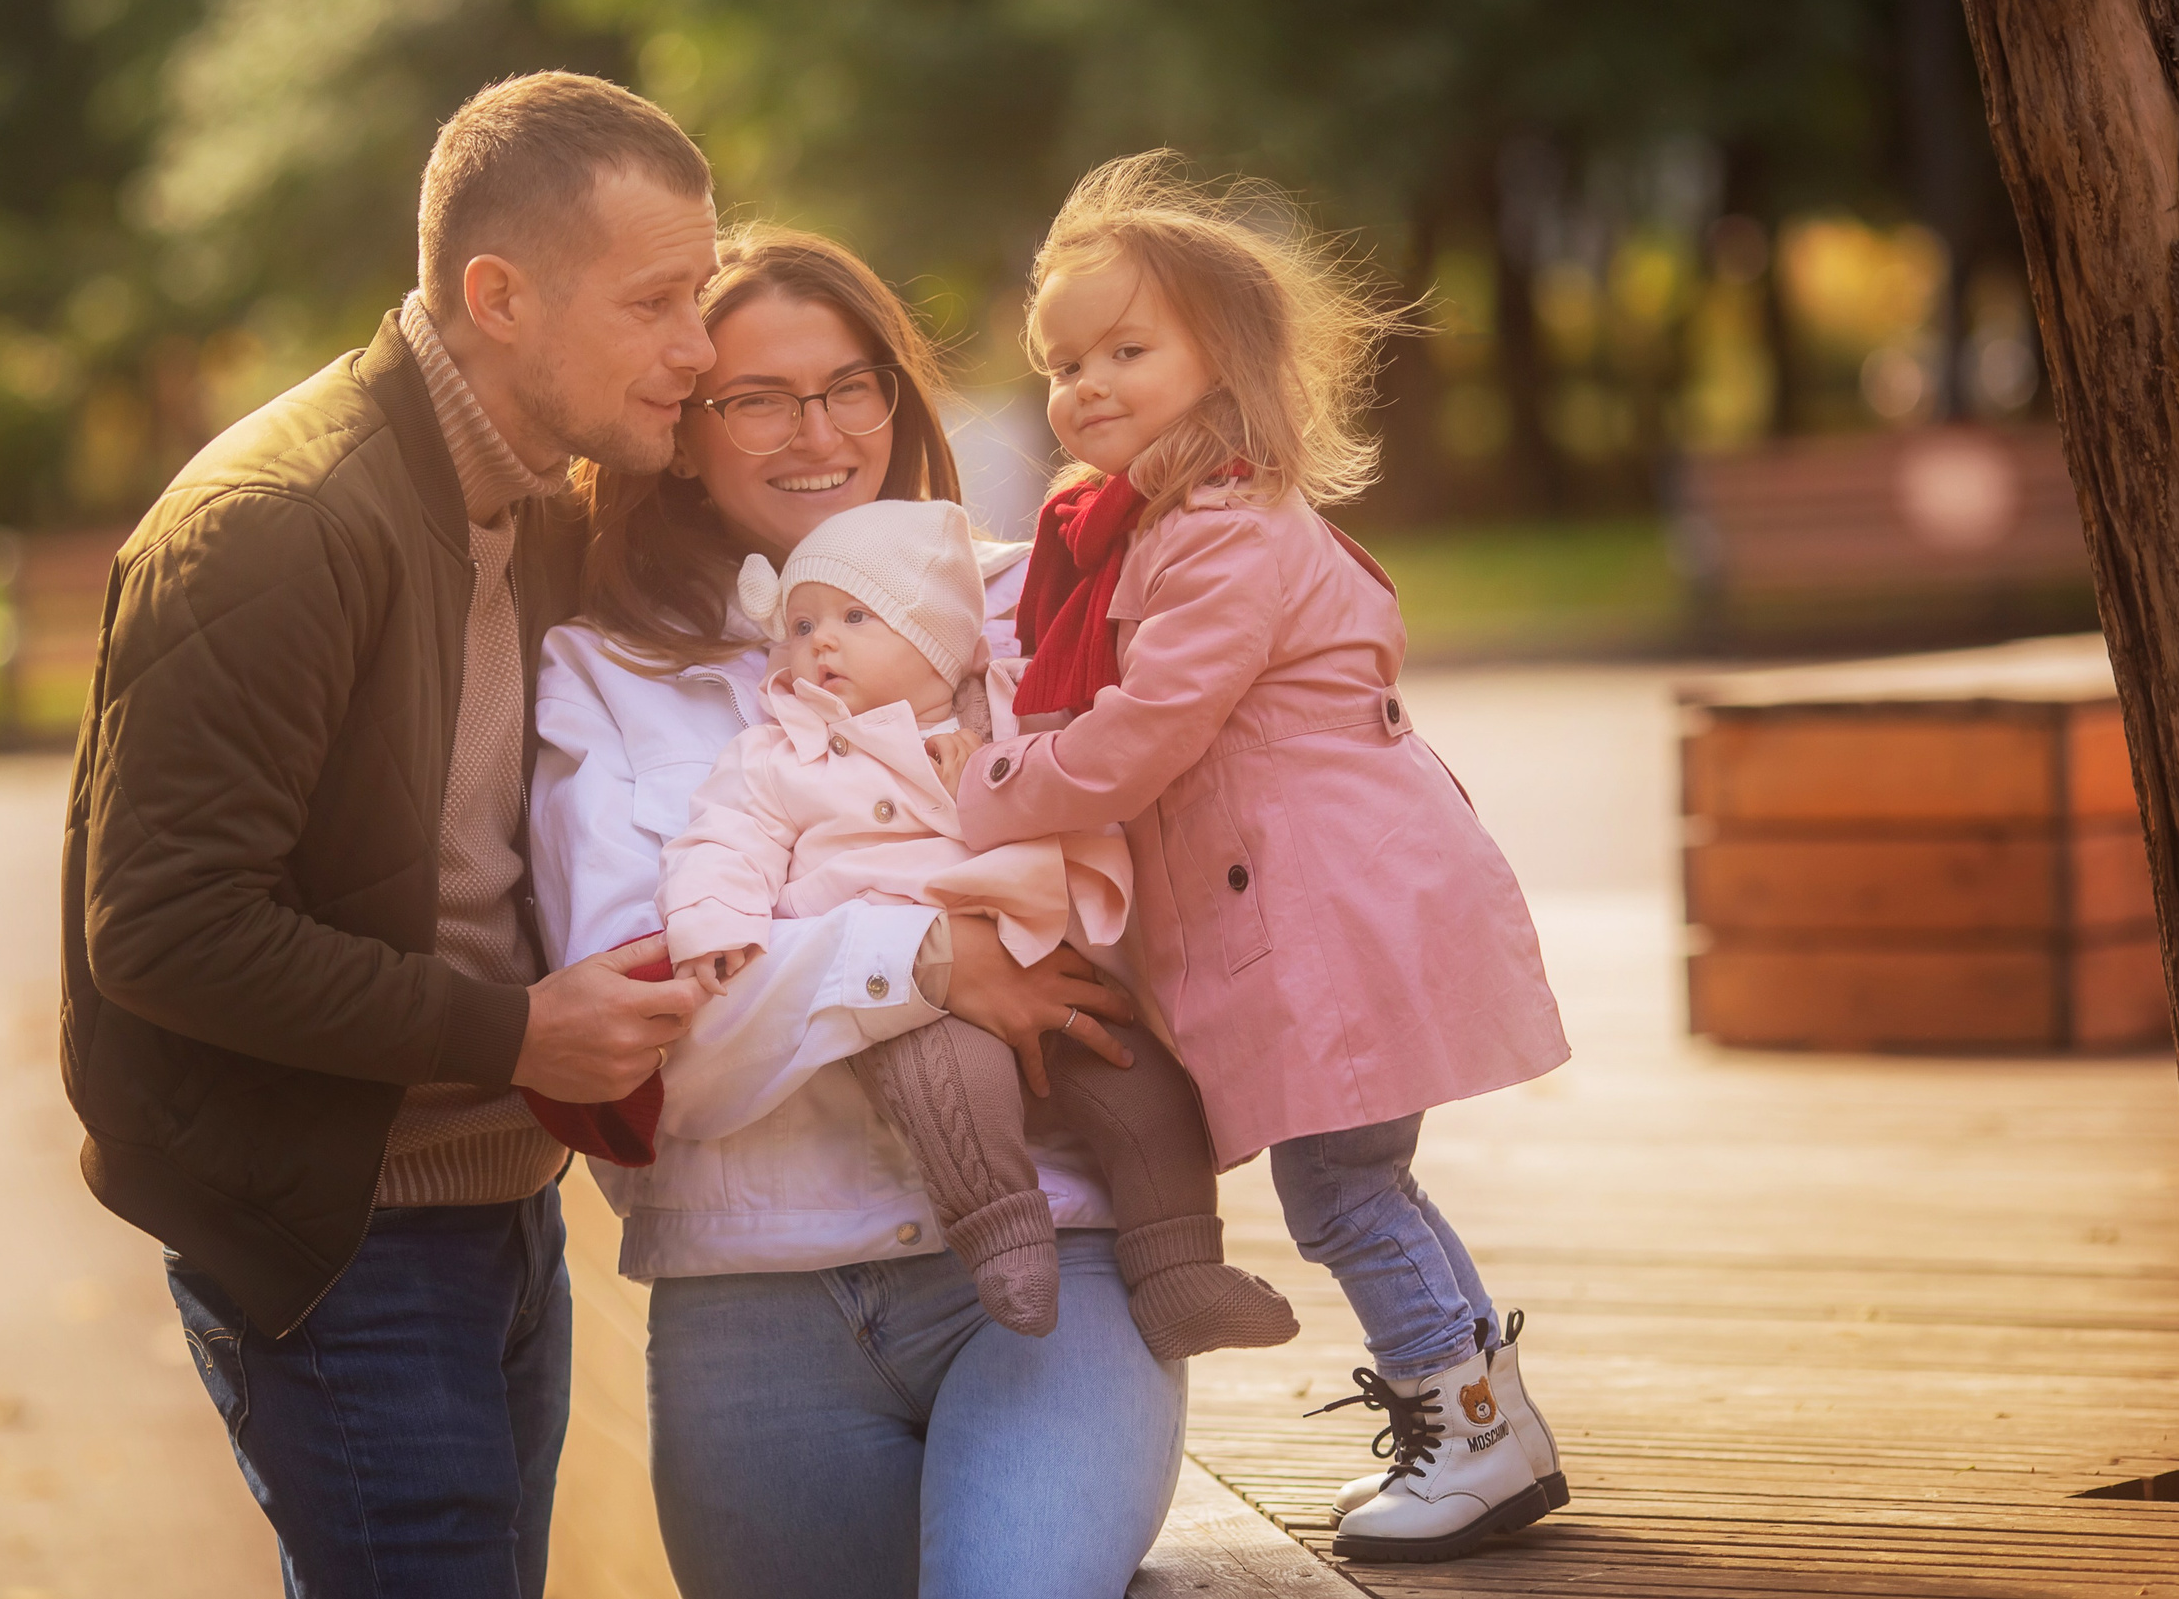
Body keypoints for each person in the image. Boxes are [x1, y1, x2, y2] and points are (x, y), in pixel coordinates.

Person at [59, 72, 718, 1597]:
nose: (699, 345)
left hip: (496, 1197)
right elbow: (164, 929)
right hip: (334, 1221)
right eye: (658, 301)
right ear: (497, 295)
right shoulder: (282, 522)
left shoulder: (541, 499)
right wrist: (517, 1032)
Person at [529, 225, 1178, 1599]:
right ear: (682, 427)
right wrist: (926, 961)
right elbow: (654, 1050)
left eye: (848, 383)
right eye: (754, 397)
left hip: (1050, 1262)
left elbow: (1130, 927)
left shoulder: (1030, 606)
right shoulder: (601, 675)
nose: (813, 431)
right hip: (749, 1308)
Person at [948, 151, 1576, 1566]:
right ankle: (1480, 1420)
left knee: (1347, 1188)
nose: (1086, 382)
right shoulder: (1159, 526)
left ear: (1221, 358)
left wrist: (991, 784)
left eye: (1126, 348)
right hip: (1324, 901)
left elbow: (1141, 733)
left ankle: (1475, 1430)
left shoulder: (1223, 532)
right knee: (1361, 1182)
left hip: (1330, 917)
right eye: (1062, 362)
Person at [656, 495, 1297, 1356]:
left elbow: (1089, 767)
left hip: (1041, 958)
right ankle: (1006, 1248)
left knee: (1142, 1086)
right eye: (801, 623)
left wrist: (996, 770)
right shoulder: (779, 753)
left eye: (855, 615)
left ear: (938, 635)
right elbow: (725, 835)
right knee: (958, 1089)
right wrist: (712, 920)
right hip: (907, 986)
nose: (822, 640)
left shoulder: (1005, 715)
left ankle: (1180, 1267)